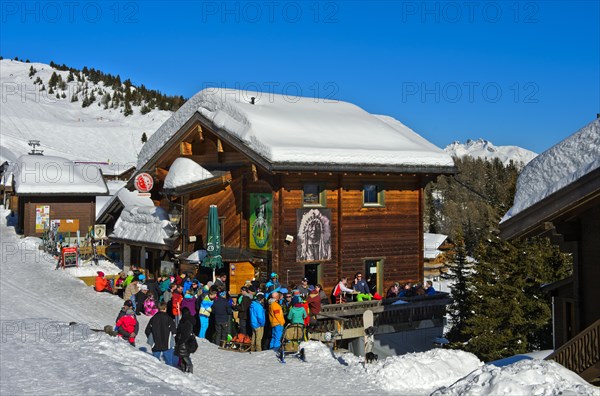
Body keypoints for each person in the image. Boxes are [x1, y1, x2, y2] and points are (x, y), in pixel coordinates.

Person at [145, 302, 176, 366]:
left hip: (156, 343)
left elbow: (147, 330)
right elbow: (174, 331)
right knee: (169, 364)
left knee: (155, 364)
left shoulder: (153, 318)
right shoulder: (169, 319)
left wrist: (151, 338)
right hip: (167, 344)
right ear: (165, 308)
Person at [174, 307, 196, 373]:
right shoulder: (189, 320)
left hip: (184, 341)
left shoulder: (185, 321)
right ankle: (184, 369)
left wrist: (180, 341)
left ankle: (189, 369)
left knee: (184, 356)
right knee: (184, 356)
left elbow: (185, 333)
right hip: (188, 341)